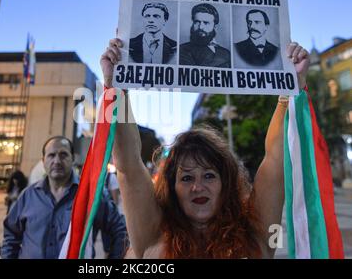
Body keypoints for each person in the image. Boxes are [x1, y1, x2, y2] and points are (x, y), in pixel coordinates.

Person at [101, 38, 309, 258]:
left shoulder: (256, 235)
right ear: (172, 188)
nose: (198, 187)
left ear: (225, 183)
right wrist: (115, 89)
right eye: (187, 178)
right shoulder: (151, 237)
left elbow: (276, 162)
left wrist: (290, 91)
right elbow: (128, 166)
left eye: (209, 175)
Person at [1, 136, 128, 259]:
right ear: (43, 160)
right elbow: (10, 236)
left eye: (63, 155)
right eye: (51, 155)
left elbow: (119, 230)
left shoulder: (91, 195)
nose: (57, 161)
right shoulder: (28, 196)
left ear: (73, 159)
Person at [179, 3, 231, 68]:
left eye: (206, 23)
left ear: (215, 26)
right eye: (197, 22)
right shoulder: (181, 50)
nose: (201, 27)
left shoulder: (226, 53)